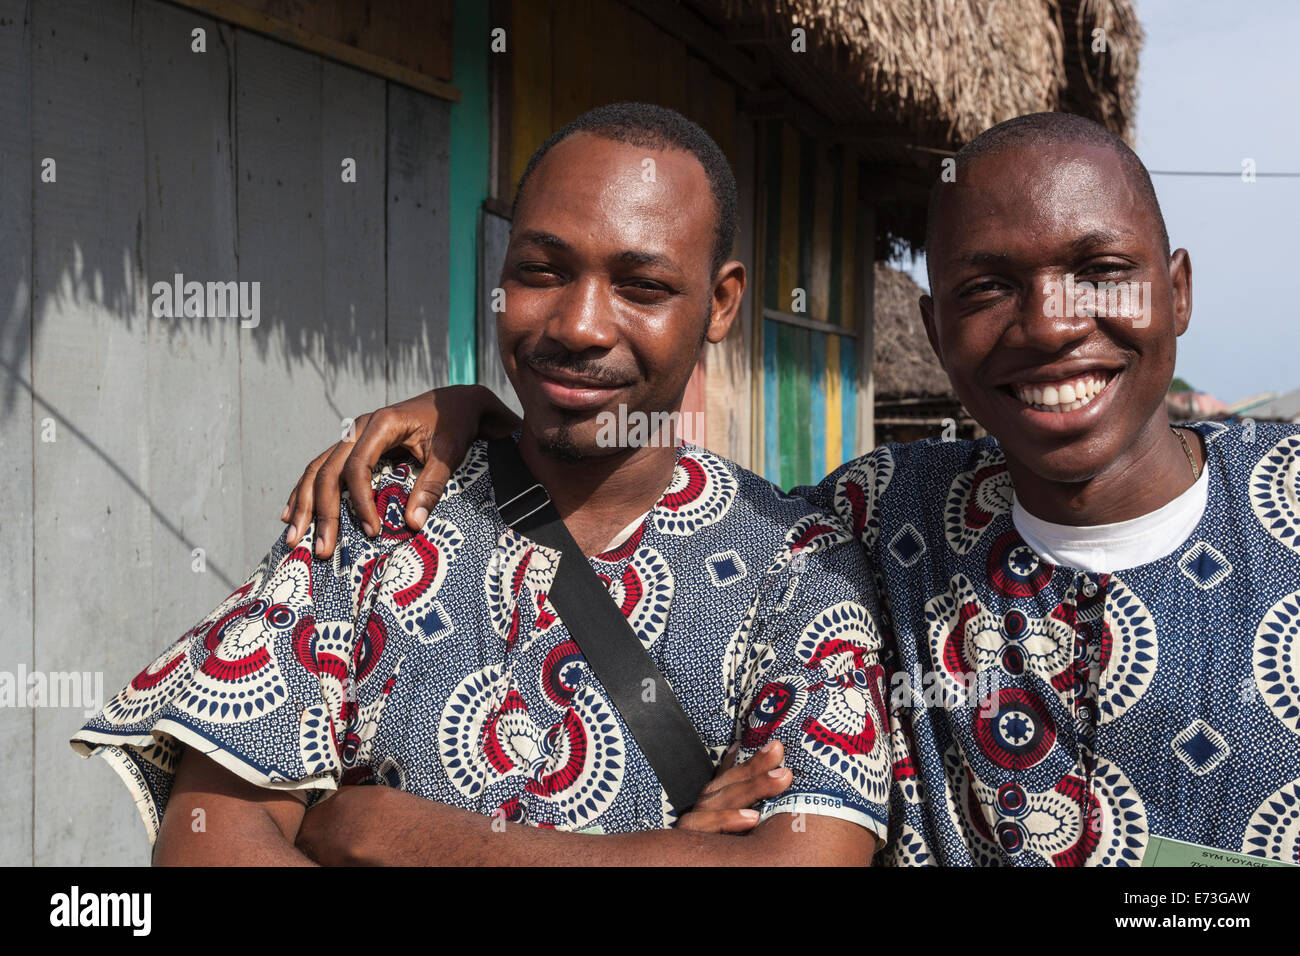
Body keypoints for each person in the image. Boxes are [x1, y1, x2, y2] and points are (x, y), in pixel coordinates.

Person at [298, 112, 1300, 866]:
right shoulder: (884, 514)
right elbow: (628, 470)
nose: (1047, 323)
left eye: (1099, 271)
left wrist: (391, 833)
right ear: (936, 327)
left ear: (1175, 289)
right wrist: (483, 417)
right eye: (986, 287)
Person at [71, 103, 889, 866]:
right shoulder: (378, 513)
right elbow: (209, 835)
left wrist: (378, 831)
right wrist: (661, 853)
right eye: (542, 270)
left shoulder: (799, 567)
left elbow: (805, 859)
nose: (579, 326)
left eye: (642, 287)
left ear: (719, 302)